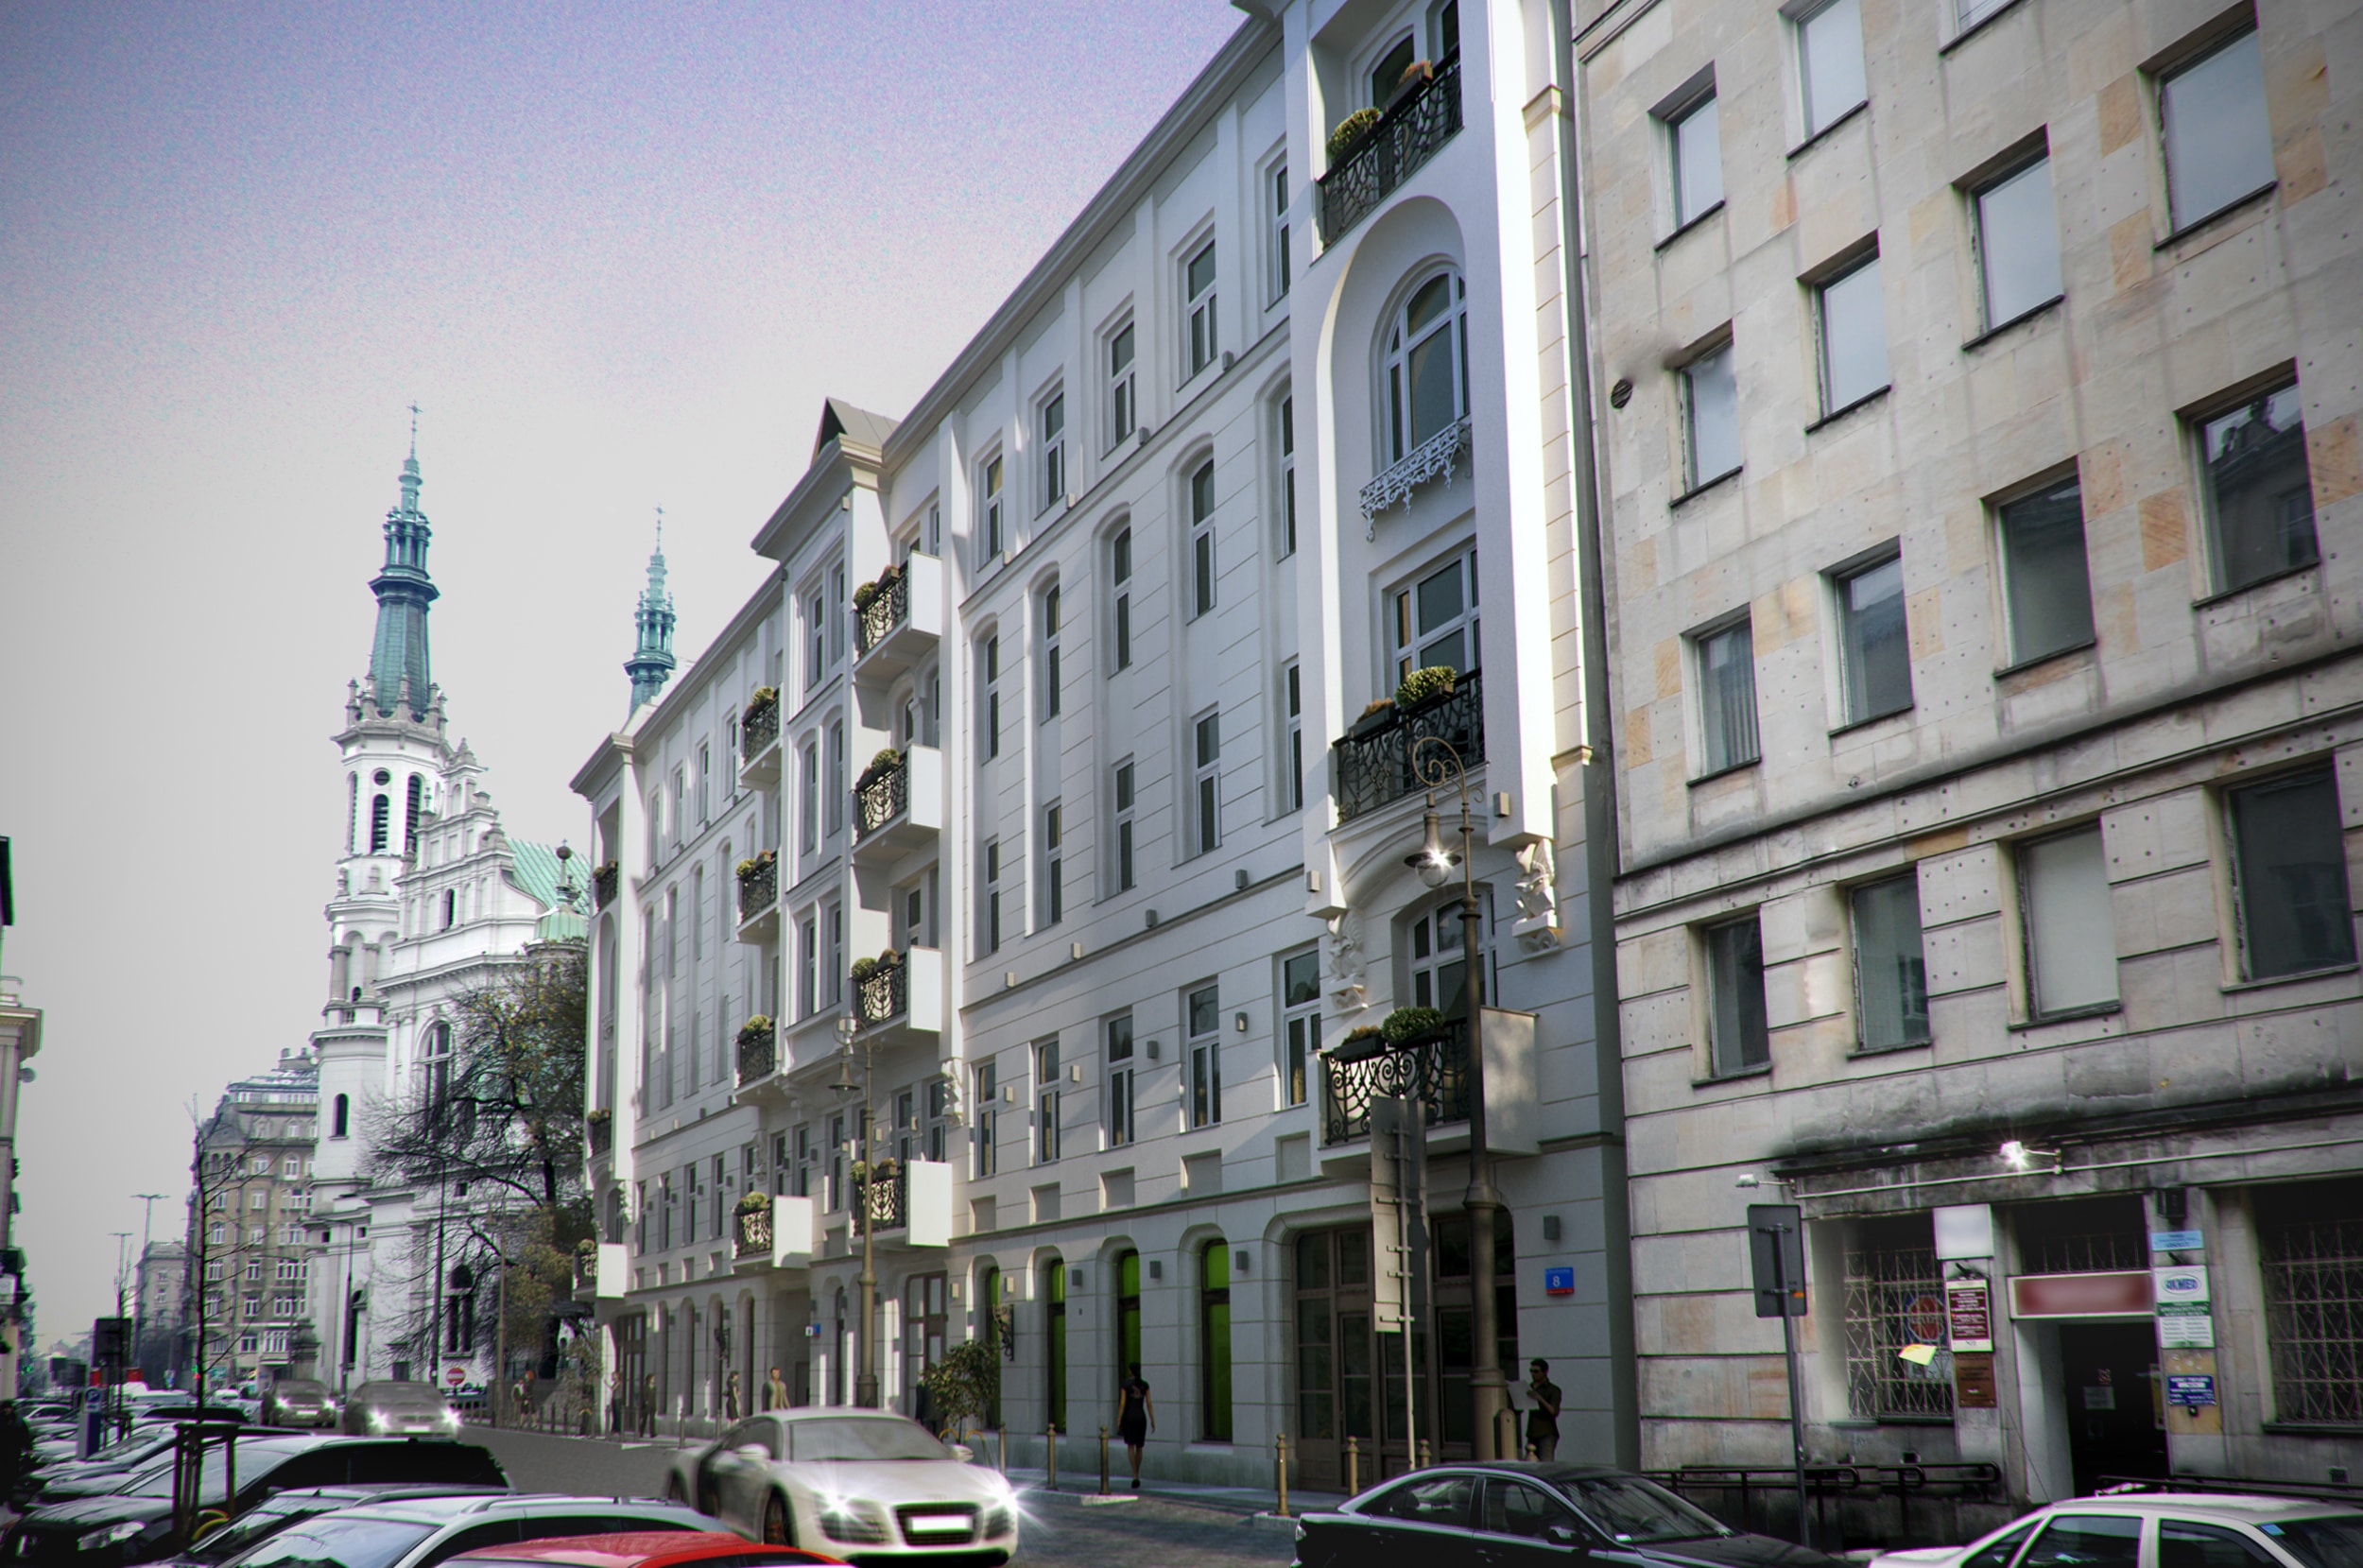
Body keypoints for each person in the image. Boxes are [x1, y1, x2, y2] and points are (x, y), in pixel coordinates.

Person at [1114, 1363, 1155, 1488]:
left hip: (1129, 1417)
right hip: (1141, 1417)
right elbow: (1149, 1403)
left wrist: (1118, 1419)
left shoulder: (1125, 1385)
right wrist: (1152, 1419)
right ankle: (1137, 1472)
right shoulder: (1144, 1385)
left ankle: (1134, 1474)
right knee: (1140, 1447)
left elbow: (1122, 1404)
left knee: (1131, 1446)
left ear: (1130, 1371)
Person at [1525, 1359, 1561, 1461]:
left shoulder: (1552, 1389)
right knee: (1530, 1463)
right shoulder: (1530, 1387)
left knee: (1546, 1463)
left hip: (1546, 1433)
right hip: (1532, 1432)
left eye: (1536, 1371)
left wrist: (1540, 1399)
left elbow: (1554, 1411)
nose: (1533, 1374)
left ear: (1545, 1372)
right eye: (1531, 1371)